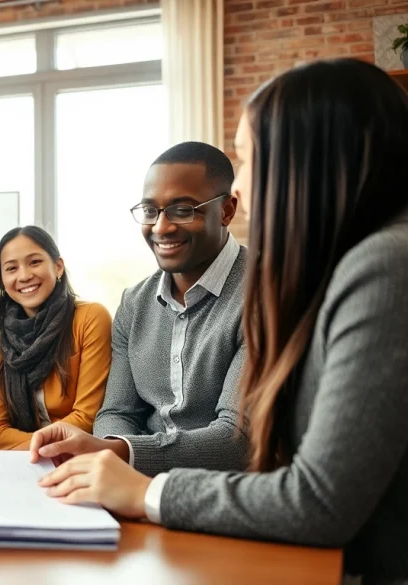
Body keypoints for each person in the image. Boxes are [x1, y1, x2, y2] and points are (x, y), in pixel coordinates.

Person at [31, 59, 408, 582]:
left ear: (306, 160)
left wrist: (143, 489)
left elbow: (319, 498)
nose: (244, 184)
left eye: (249, 158)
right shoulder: (355, 262)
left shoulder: (387, 263)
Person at [25, 141, 248, 475]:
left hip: (224, 498)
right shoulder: (134, 302)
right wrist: (119, 463)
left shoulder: (265, 294)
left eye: (183, 210)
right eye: (150, 211)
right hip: (135, 487)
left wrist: (119, 452)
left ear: (227, 210)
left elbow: (236, 441)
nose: (161, 227)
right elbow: (116, 413)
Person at [0, 226, 111, 450]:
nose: (24, 276)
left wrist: (31, 446)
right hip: (23, 463)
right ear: (2, 280)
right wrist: (36, 450)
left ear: (58, 266)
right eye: (11, 268)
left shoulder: (90, 318)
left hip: (79, 456)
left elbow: (86, 418)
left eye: (34, 262)